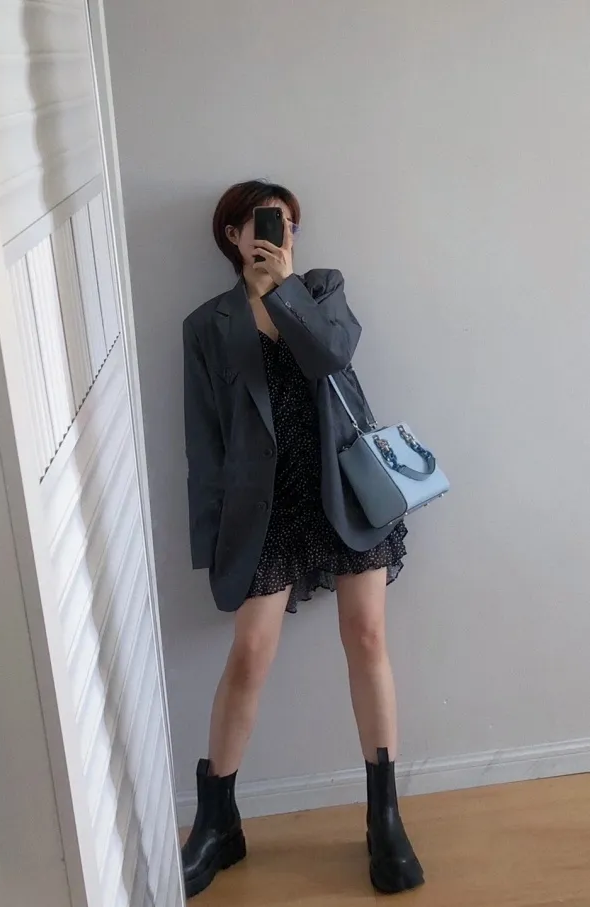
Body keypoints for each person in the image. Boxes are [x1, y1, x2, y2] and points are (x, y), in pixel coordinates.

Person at [181, 179, 424, 899]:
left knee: (367, 637)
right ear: (233, 234)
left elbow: (333, 357)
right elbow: (204, 443)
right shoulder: (206, 324)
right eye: (263, 222)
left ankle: (385, 818)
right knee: (250, 654)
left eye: (286, 223)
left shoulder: (321, 290)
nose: (276, 232)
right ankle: (218, 823)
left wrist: (284, 291)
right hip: (264, 510)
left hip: (341, 491)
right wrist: (210, 541)